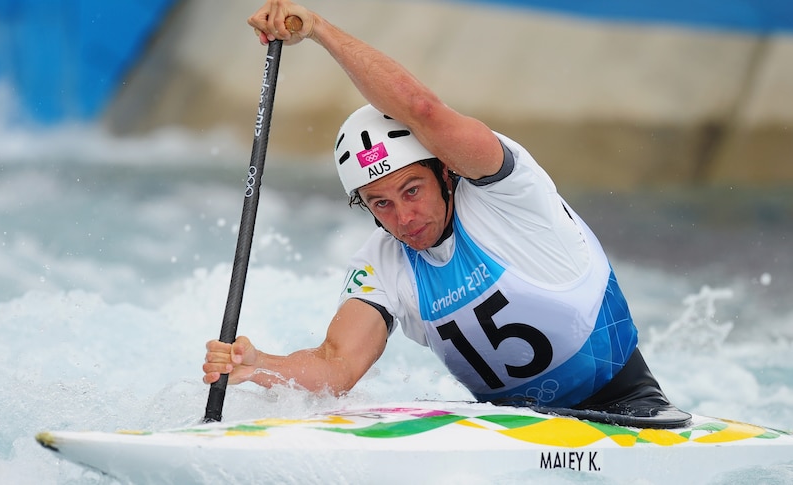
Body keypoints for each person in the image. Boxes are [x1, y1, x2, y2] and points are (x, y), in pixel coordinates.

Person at [204, 0, 689, 426]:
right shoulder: (380, 265)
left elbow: (422, 109)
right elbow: (336, 366)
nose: (403, 216)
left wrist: (317, 29)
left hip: (628, 408)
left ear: (445, 173)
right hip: (512, 431)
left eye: (412, 189)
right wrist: (257, 365)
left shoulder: (507, 192)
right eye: (382, 204)